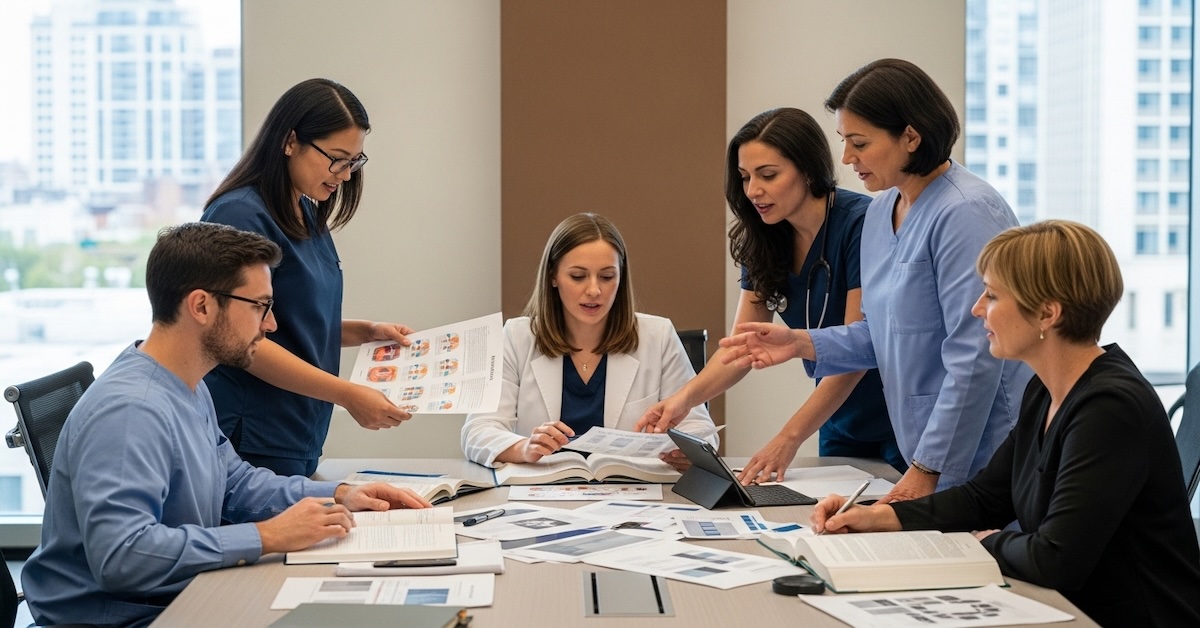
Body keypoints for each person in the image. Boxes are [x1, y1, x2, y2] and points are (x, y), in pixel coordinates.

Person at [21, 223, 431, 627]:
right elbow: (124, 556)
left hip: (173, 597)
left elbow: (233, 483)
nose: (270, 326)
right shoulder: (131, 411)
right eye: (259, 307)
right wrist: (267, 536)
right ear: (201, 306)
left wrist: (341, 494)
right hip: (123, 618)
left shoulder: (187, 385)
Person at [809, 220, 1200, 625]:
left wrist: (987, 542)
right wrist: (878, 517)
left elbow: (1055, 560)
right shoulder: (1047, 389)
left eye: (992, 295)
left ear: (1048, 313)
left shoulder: (1110, 408)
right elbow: (985, 498)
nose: (977, 308)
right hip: (1071, 608)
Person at [708, 59, 1032, 502]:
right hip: (919, 442)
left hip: (981, 445)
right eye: (845, 142)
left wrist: (926, 468)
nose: (846, 159)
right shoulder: (883, 211)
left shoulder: (965, 212)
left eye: (859, 143)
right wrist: (804, 343)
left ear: (911, 138)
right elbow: (879, 334)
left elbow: (975, 355)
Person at [635, 108, 899, 482]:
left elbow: (856, 354)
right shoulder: (766, 237)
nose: (753, 191)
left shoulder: (862, 225)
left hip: (897, 419)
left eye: (768, 175)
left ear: (807, 170)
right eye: (745, 177)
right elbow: (740, 348)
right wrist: (682, 401)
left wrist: (787, 439)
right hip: (839, 422)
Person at [201, 78, 414, 477]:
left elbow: (295, 322)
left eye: (354, 161)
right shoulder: (240, 216)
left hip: (297, 431)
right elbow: (242, 339)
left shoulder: (305, 209)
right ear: (289, 141)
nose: (346, 175)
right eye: (336, 158)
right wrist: (349, 395)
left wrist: (365, 332)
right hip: (250, 434)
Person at [461, 213, 718, 467]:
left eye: (607, 277)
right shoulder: (517, 338)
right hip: (542, 495)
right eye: (578, 276)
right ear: (553, 276)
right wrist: (525, 448)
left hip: (634, 496)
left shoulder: (658, 336)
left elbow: (701, 430)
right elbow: (478, 431)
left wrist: (688, 452)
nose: (594, 290)